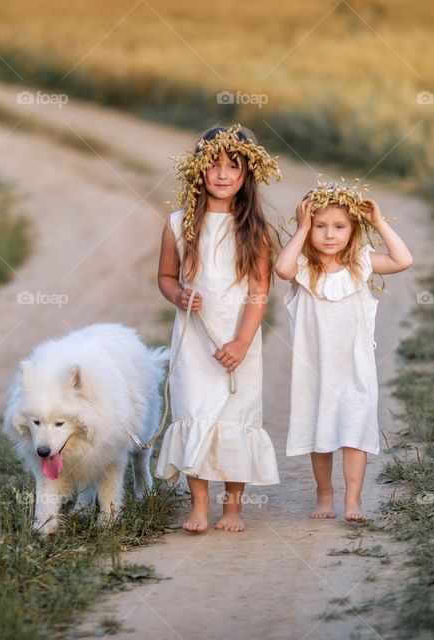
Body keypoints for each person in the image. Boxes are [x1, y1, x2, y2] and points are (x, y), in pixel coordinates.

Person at [155, 124, 282, 532]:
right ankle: (199, 504)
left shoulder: (256, 231)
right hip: (195, 339)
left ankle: (232, 508)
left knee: (235, 415)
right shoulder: (178, 225)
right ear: (198, 171)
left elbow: (260, 292)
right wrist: (178, 297)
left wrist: (243, 341)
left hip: (238, 339)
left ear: (247, 176)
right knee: (194, 410)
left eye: (233, 167)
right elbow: (166, 277)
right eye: (214, 166)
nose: (223, 175)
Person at [274, 182, 413, 522]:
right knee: (319, 434)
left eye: (339, 226)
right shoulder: (304, 266)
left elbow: (403, 259)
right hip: (315, 370)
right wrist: (301, 227)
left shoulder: (362, 263)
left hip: (355, 368)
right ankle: (325, 495)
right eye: (320, 226)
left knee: (354, 432)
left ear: (353, 230)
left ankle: (353, 500)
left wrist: (378, 222)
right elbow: (281, 269)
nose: (329, 234)